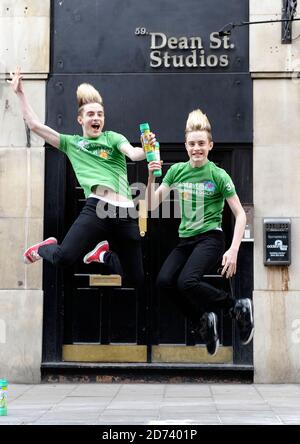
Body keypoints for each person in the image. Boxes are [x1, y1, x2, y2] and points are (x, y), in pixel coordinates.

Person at [8, 67, 154, 288]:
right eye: (91, 114)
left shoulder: (112, 138)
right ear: (80, 119)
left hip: (125, 213)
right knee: (63, 258)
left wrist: (147, 146)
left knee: (136, 279)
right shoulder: (72, 143)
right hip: (97, 208)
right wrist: (20, 93)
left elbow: (134, 154)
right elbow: (35, 126)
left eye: (100, 114)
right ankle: (42, 248)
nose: (96, 118)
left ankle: (103, 256)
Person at [145, 109, 254, 356]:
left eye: (201, 144)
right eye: (192, 144)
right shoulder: (176, 172)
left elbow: (241, 214)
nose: (197, 148)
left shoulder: (218, 174)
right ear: (186, 146)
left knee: (186, 281)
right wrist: (151, 176)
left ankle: (237, 307)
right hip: (186, 240)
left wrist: (233, 250)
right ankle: (203, 321)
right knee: (164, 281)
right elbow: (151, 205)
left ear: (210, 145)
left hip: (211, 238)